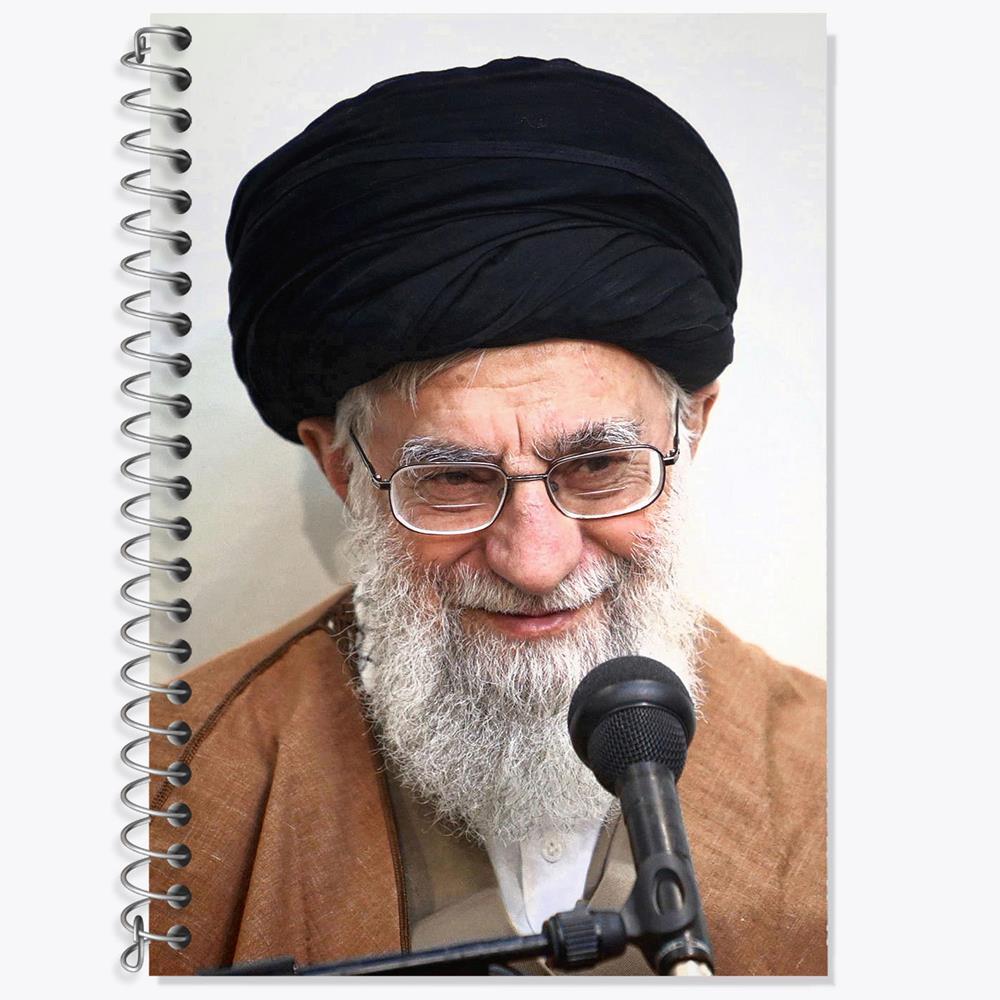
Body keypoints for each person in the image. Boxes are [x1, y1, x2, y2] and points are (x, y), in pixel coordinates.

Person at [148, 56, 826, 976]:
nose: (536, 561)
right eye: (455, 480)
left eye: (597, 466)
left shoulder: (848, 780)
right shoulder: (159, 797)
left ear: (691, 429)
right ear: (342, 467)